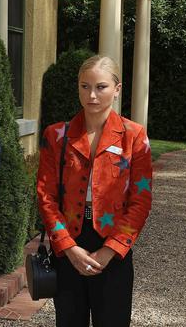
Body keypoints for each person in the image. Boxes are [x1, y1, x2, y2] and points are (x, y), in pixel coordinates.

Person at [37, 55, 153, 326]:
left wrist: (110, 250)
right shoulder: (56, 135)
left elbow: (140, 200)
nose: (91, 95)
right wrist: (67, 247)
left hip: (113, 243)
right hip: (69, 243)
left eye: (101, 87)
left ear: (117, 89)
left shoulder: (134, 136)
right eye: (84, 86)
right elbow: (46, 196)